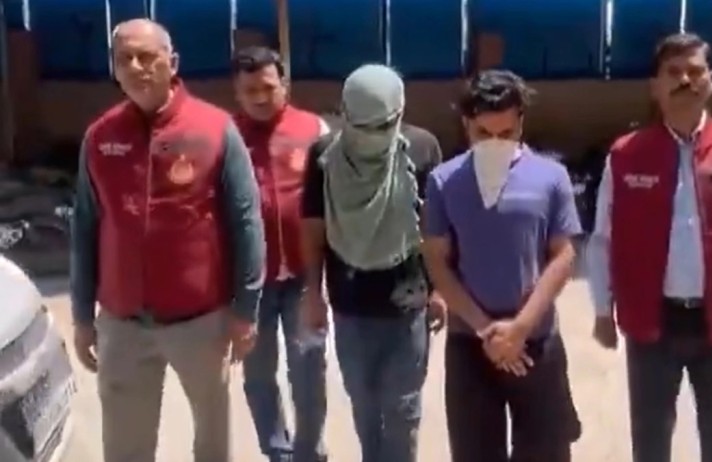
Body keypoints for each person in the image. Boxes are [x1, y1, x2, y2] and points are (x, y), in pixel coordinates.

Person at [70, 19, 265, 462]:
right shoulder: (100, 137)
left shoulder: (215, 129)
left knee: (212, 441)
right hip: (123, 324)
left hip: (201, 321)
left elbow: (246, 223)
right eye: (124, 59)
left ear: (172, 63)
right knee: (125, 446)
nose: (136, 67)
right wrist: (82, 315)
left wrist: (245, 310)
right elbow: (85, 226)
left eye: (146, 56)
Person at [587, 33, 712, 462]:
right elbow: (602, 240)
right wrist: (602, 310)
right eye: (673, 73)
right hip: (652, 321)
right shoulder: (626, 155)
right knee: (651, 441)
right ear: (654, 86)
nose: (685, 81)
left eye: (695, 71)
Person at [423, 69, 582, 462]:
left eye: (506, 133)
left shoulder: (551, 177)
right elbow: (438, 263)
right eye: (484, 134)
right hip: (469, 344)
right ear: (466, 124)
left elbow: (563, 256)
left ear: (521, 123)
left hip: (536, 342)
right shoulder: (443, 182)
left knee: (546, 452)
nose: (495, 143)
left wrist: (520, 328)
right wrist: (486, 331)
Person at [300, 64, 444, 462]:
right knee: (364, 404)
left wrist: (439, 290)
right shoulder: (323, 157)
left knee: (402, 408)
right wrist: (312, 293)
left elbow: (434, 226)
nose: (372, 136)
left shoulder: (421, 148)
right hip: (350, 303)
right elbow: (313, 228)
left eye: (383, 126)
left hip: (409, 301)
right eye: (362, 126)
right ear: (345, 113)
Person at [231, 46, 330, 462]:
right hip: (250, 284)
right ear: (236, 92)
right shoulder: (225, 137)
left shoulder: (315, 130)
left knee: (308, 369)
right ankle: (277, 452)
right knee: (258, 374)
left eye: (267, 88)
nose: (259, 97)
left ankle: (309, 452)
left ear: (284, 85)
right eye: (249, 90)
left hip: (306, 277)